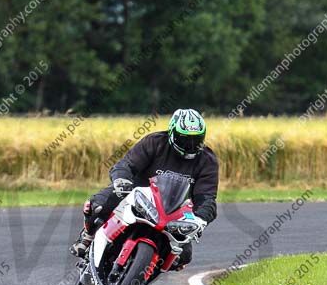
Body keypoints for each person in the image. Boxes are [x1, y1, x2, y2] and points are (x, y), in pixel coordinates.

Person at [70, 108, 219, 270]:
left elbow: (206, 197)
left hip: (173, 209)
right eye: (184, 140)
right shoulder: (155, 142)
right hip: (136, 195)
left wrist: (200, 219)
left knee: (183, 256)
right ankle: (87, 237)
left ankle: (144, 272)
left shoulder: (207, 160)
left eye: (196, 140)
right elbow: (127, 164)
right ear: (172, 134)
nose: (190, 146)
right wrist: (121, 180)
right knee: (98, 206)